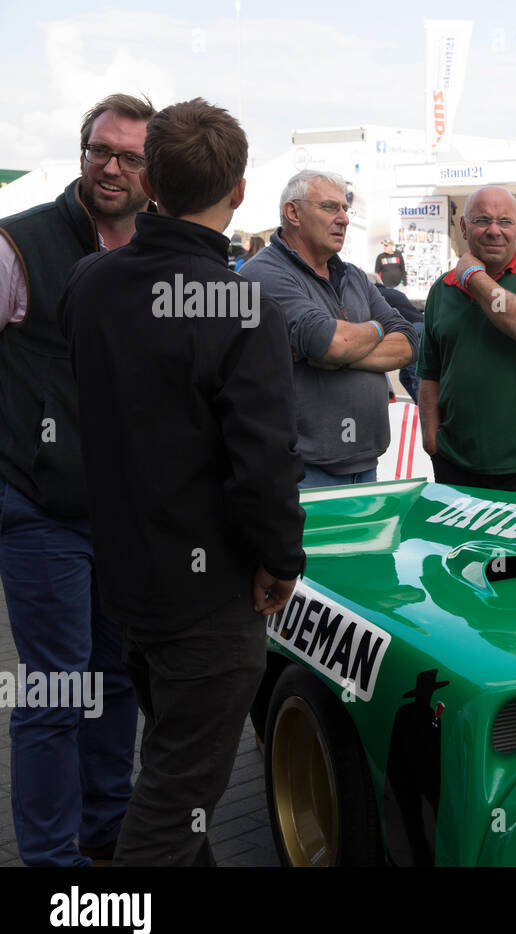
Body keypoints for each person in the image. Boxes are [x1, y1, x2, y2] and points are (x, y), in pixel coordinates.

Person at [59, 97, 305, 867]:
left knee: (174, 767)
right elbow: (262, 463)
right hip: (205, 597)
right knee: (175, 798)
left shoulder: (91, 283)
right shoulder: (242, 306)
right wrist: (281, 560)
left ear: (151, 182)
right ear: (238, 191)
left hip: (130, 577)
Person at [0, 93, 153, 867]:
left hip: (125, 517)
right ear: (82, 151)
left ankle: (106, 832)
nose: (112, 166)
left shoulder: (161, 256)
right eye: (102, 150)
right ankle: (51, 862)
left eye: (130, 156)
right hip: (39, 509)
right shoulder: (18, 244)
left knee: (117, 678)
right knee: (57, 690)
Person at [241, 171, 416, 488]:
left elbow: (406, 343)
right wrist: (376, 328)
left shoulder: (354, 276)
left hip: (365, 466)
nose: (344, 219)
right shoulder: (264, 273)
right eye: (330, 207)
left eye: (345, 209)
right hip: (301, 471)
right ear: (293, 213)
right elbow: (331, 341)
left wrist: (344, 353)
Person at [419, 185, 516, 490]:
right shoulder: (442, 290)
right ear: (463, 226)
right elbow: (429, 373)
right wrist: (431, 440)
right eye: (482, 220)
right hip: (454, 464)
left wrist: (474, 277)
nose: (493, 231)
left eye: (505, 222)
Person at [370, 273, 424, 399]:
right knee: (405, 376)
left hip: (411, 329)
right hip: (422, 324)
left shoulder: (372, 294)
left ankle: (423, 411)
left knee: (414, 375)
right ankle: (419, 404)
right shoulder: (394, 292)